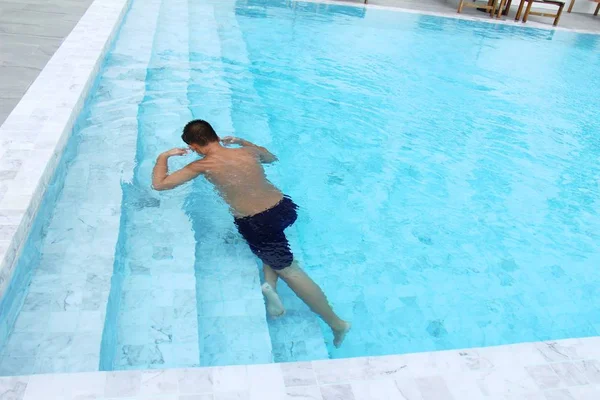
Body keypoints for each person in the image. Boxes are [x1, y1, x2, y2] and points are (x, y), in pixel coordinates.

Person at [152, 119, 351, 347]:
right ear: (216, 137)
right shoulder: (246, 151)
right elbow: (270, 158)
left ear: (195, 146)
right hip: (284, 208)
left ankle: (336, 323)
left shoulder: (203, 165)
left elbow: (160, 184)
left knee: (289, 270)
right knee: (272, 246)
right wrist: (240, 141)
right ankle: (270, 287)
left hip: (257, 223)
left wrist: (164, 156)